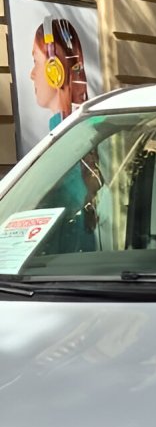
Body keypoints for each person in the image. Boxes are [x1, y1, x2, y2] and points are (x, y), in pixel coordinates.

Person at [29, 17, 101, 252]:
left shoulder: (64, 133)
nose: (31, 74)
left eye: (35, 61)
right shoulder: (86, 124)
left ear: (54, 70)